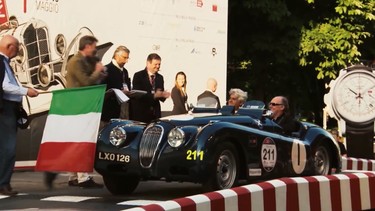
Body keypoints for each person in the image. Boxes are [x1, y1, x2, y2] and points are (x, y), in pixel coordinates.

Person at [45, 35, 105, 189]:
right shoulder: (76, 62)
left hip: (81, 105)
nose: (95, 49)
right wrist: (98, 71)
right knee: (82, 140)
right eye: (93, 46)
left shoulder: (83, 61)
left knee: (77, 140)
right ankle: (83, 177)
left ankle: (74, 176)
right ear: (87, 46)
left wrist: (99, 73)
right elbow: (86, 82)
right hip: (79, 106)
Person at [0, 35, 39, 196]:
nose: (18, 51)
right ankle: (3, 183)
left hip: (7, 109)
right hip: (5, 110)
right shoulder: (2, 63)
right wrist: (26, 91)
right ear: (10, 47)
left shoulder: (4, 64)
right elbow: (5, 86)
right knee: (8, 148)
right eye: (17, 47)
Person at [130, 53, 170, 123]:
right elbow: (138, 94)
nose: (158, 66)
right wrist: (154, 95)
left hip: (155, 115)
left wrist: (163, 95)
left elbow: (159, 95)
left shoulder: (160, 77)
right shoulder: (138, 75)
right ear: (148, 63)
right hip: (141, 114)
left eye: (159, 64)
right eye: (156, 64)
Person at [100, 46, 131, 127]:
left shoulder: (125, 71)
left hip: (123, 111)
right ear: (116, 56)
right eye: (124, 58)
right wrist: (118, 92)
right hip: (109, 113)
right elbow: (102, 92)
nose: (126, 61)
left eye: (127, 58)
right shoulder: (106, 69)